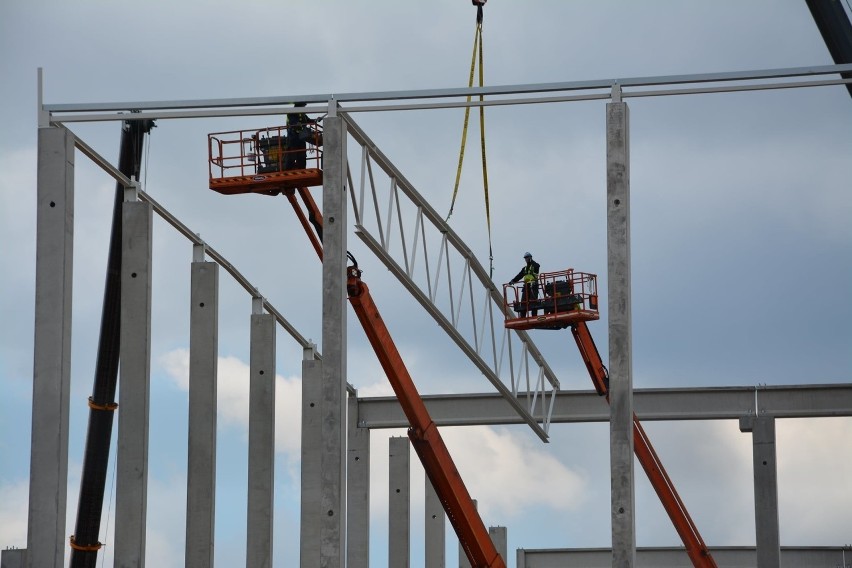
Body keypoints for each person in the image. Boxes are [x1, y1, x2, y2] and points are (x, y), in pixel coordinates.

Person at [285, 102, 320, 170]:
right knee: (292, 154)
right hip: (293, 137)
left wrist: (316, 120)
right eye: (303, 106)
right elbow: (293, 122)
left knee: (302, 154)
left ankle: (302, 168)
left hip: (301, 137)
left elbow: (308, 120)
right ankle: (287, 170)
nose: (304, 108)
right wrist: (298, 125)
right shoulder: (291, 113)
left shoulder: (302, 114)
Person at [510, 252, 540, 317]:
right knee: (523, 302)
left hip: (533, 285)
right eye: (525, 258)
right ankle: (522, 317)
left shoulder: (535, 265)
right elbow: (519, 275)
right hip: (526, 286)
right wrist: (513, 281)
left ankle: (534, 316)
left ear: (530, 257)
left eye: (527, 257)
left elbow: (537, 266)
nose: (526, 259)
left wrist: (531, 261)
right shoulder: (525, 268)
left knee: (533, 301)